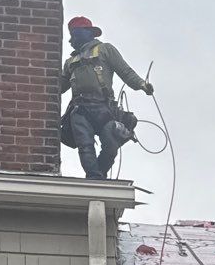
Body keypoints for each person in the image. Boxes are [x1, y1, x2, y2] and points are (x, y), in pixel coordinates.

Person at [60, 16, 154, 179]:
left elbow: (125, 71)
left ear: (88, 33)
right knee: (85, 144)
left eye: (74, 34)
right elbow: (60, 86)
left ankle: (100, 172)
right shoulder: (70, 62)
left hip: (103, 107)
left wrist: (142, 85)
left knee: (111, 143)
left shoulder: (105, 49)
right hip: (80, 108)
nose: (71, 40)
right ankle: (93, 176)